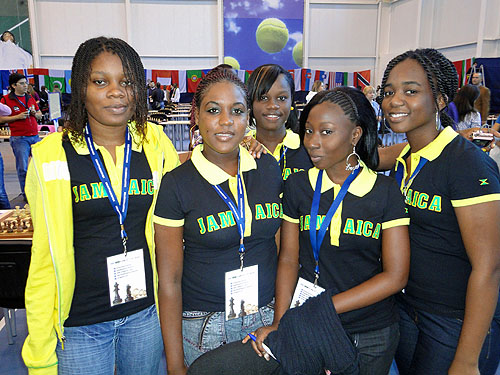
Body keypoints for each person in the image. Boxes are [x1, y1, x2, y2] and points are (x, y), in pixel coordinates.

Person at [21, 36, 179, 375]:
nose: (116, 92)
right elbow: (44, 256)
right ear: (81, 87)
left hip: (144, 314)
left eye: (126, 82)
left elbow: (192, 190)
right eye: (100, 81)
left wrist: (245, 146)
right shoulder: (49, 156)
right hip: (81, 325)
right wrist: (39, 351)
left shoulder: (155, 144)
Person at [246, 87, 410, 375]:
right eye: (308, 131)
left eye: (326, 132)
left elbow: (395, 277)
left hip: (370, 333)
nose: (313, 143)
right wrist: (281, 321)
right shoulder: (298, 186)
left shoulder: (384, 192)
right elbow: (288, 259)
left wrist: (322, 308)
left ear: (355, 135)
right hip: (309, 327)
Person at [153, 67, 283, 374]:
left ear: (248, 119)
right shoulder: (177, 183)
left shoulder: (268, 169)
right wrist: (174, 363)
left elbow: (279, 250)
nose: (226, 121)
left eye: (237, 111)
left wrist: (280, 318)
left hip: (265, 318)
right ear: (196, 116)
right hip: (205, 327)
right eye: (213, 110)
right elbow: (169, 280)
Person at [380, 48, 500, 375]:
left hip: (454, 320)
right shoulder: (407, 155)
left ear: (441, 97)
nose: (394, 100)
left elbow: (489, 267)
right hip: (409, 309)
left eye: (411, 90)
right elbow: (365, 157)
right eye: (388, 91)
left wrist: (467, 359)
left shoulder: (467, 164)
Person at [247, 64, 312, 181]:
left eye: (282, 98)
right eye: (263, 98)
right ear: (251, 102)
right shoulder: (239, 149)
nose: (273, 106)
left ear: (291, 101)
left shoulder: (308, 147)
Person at [0, 73, 42, 198]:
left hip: (35, 136)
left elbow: (40, 114)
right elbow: (1, 119)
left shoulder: (30, 97)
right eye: (22, 83)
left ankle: (40, 191)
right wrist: (17, 117)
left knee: (39, 165)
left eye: (26, 83)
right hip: (19, 138)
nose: (25, 86)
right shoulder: (6, 100)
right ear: (13, 86)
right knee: (23, 168)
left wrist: (35, 113)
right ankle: (26, 194)